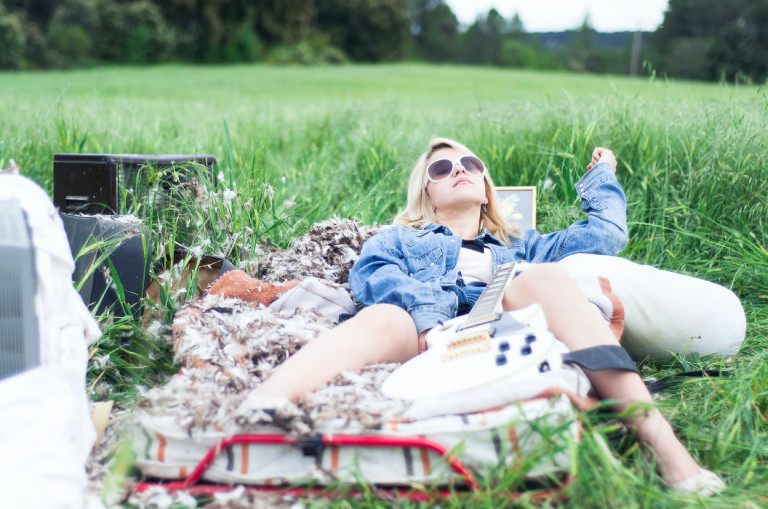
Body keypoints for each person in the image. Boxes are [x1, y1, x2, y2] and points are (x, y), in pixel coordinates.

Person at [238, 137, 724, 495]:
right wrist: (429, 321)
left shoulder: (521, 244)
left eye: (469, 163)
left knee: (543, 279)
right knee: (383, 314)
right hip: (427, 327)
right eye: (442, 168)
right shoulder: (400, 238)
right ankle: (256, 412)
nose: (458, 170)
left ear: (487, 185)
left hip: (505, 321)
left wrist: (603, 175)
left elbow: (605, 237)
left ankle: (669, 453)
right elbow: (372, 274)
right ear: (426, 193)